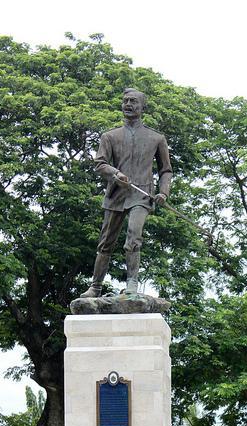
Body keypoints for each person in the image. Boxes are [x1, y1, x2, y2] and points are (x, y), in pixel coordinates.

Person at [80, 88, 173, 297]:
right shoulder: (110, 136)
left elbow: (166, 171)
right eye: (125, 101)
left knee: (133, 237)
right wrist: (115, 174)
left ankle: (132, 283)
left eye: (133, 101)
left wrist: (163, 193)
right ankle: (95, 286)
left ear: (142, 107)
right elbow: (100, 164)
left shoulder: (156, 138)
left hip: (142, 195)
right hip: (116, 195)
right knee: (106, 242)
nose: (128, 104)